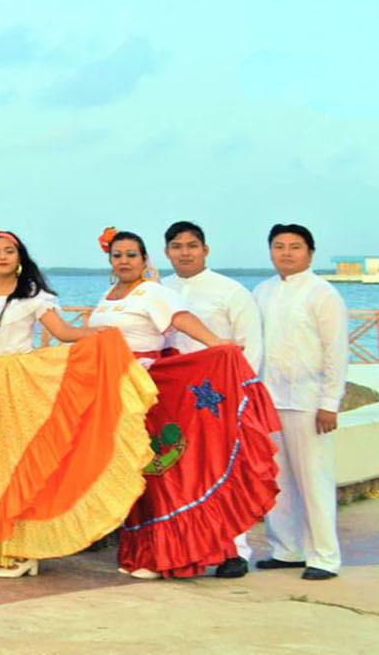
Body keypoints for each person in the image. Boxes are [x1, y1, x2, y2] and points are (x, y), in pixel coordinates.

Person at [0, 228, 155, 578]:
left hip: (20, 381)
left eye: (9, 251)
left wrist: (101, 336)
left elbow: (63, 333)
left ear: (20, 258)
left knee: (16, 463)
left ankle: (24, 549)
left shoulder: (33, 296)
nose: (2, 257)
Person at [93, 228, 274, 581]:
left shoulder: (156, 292)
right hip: (122, 391)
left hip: (164, 387)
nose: (125, 260)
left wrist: (217, 345)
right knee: (143, 472)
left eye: (132, 254)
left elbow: (181, 320)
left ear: (145, 259)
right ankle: (146, 551)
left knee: (173, 471)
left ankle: (194, 553)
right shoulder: (109, 295)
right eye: (118, 255)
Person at [161, 219, 266, 578]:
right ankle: (182, 548)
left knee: (223, 472)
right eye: (177, 246)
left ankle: (234, 549)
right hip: (174, 400)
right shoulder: (158, 290)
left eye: (192, 245)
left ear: (205, 250)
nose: (184, 252)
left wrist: (239, 395)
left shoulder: (230, 291)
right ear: (166, 252)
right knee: (180, 474)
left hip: (219, 398)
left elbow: (250, 347)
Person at [253, 223, 348, 582]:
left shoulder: (322, 294)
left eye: (295, 246)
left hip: (310, 402)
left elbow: (336, 350)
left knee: (315, 478)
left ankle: (324, 556)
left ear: (309, 252)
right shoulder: (262, 291)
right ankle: (286, 549)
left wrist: (330, 401)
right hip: (270, 398)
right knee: (278, 479)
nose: (287, 253)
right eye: (279, 246)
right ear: (270, 251)